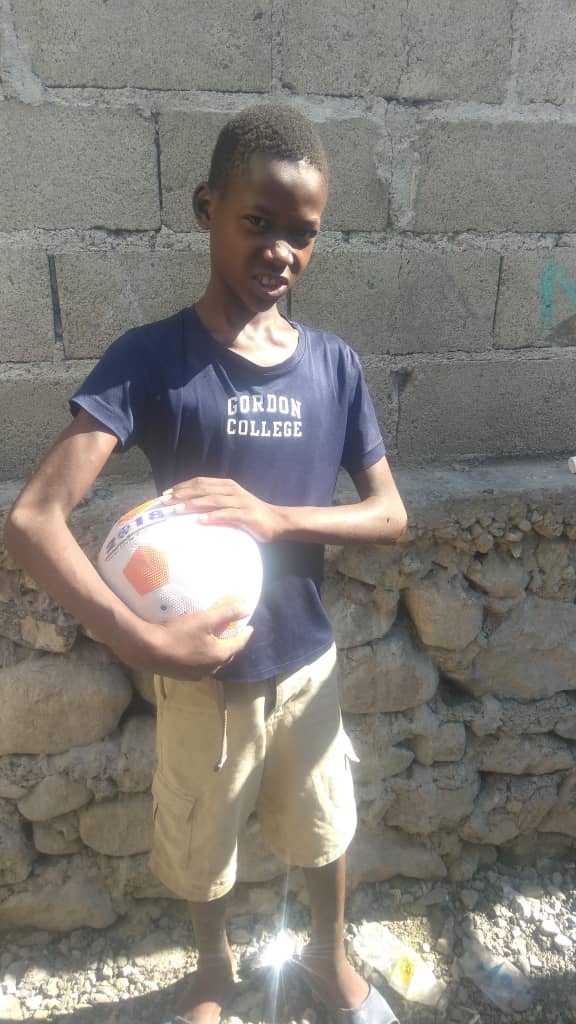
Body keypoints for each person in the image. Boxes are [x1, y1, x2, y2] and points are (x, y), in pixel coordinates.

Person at [4, 105, 407, 1024]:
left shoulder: (333, 366)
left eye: (302, 233)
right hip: (202, 679)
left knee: (325, 827)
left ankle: (328, 960)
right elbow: (32, 520)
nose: (280, 251)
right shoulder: (153, 360)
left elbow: (390, 515)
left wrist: (275, 517)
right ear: (206, 208)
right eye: (257, 222)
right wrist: (141, 640)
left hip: (307, 661)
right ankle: (214, 973)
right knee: (201, 844)